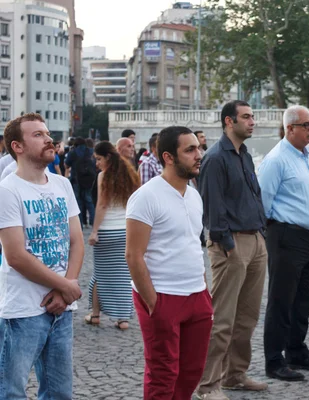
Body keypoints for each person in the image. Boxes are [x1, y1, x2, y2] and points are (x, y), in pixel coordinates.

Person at [0, 113, 84, 399]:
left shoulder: (62, 185)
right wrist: (66, 286)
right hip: (23, 310)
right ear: (17, 147)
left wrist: (66, 290)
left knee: (60, 393)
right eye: (37, 134)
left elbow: (76, 241)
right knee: (11, 391)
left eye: (47, 133)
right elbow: (16, 256)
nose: (49, 139)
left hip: (62, 309)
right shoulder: (7, 190)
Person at [125, 126, 213, 399]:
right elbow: (133, 255)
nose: (198, 154)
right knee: (163, 374)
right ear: (168, 157)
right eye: (190, 150)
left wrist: (203, 290)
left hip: (196, 295)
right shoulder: (146, 196)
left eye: (198, 148)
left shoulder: (194, 194)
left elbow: (190, 245)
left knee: (191, 372)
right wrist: (154, 302)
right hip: (162, 295)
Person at [195, 101, 268, 400]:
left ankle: (235, 375)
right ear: (229, 121)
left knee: (247, 317)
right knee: (222, 319)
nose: (253, 122)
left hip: (255, 240)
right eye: (247, 117)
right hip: (231, 243)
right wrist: (228, 245)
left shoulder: (245, 154)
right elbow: (212, 207)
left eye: (253, 117)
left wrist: (261, 234)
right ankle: (208, 385)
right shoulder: (215, 158)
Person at [258, 105, 309, 381]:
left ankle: (297, 351)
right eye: (307, 125)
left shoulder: (308, 154)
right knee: (281, 300)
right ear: (290, 128)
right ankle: (274, 360)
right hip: (287, 235)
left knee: (303, 299)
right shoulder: (276, 159)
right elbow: (263, 201)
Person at [85, 141, 140, 330]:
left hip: (107, 231)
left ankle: (95, 314)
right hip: (125, 231)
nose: (97, 164)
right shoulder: (130, 175)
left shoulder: (104, 176)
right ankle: (123, 318)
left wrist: (94, 231)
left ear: (107, 157)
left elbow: (101, 205)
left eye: (99, 159)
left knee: (100, 274)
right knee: (123, 276)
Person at [65, 136, 96, 228]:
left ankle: (80, 224)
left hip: (76, 180)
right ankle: (93, 222)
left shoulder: (73, 153)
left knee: (78, 202)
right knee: (89, 201)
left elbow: (66, 165)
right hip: (89, 179)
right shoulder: (91, 151)